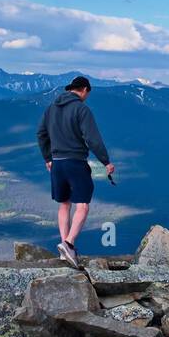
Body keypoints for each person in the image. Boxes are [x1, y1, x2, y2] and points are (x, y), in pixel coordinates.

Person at [36, 76, 114, 267]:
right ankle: (69, 243)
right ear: (85, 90)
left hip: (57, 164)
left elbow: (41, 134)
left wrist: (47, 158)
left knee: (64, 204)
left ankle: (65, 247)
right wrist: (106, 162)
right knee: (83, 205)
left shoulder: (51, 109)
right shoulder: (82, 109)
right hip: (76, 163)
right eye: (88, 93)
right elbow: (92, 139)